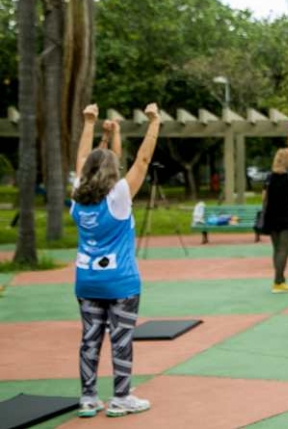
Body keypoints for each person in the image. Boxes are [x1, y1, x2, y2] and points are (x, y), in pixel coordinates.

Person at [71, 103, 159, 418]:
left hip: (86, 280)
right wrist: (154, 122)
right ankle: (121, 397)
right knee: (121, 339)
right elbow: (143, 160)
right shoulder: (120, 196)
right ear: (113, 172)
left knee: (89, 340)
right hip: (121, 282)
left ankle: (88, 398)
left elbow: (82, 160)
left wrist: (89, 123)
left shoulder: (78, 194)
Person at [262, 148, 288, 294]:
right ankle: (277, 281)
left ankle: (280, 280)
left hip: (271, 217)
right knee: (284, 250)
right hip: (286, 217)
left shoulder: (269, 178)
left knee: (276, 250)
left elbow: (264, 198)